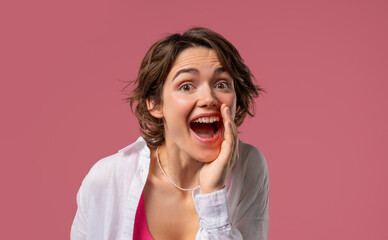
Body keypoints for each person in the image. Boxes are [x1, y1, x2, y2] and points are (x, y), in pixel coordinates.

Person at [71, 27, 269, 240]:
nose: (209, 98)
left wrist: (213, 192)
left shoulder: (248, 166)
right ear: (156, 104)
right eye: (186, 87)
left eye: (221, 84)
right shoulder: (106, 179)